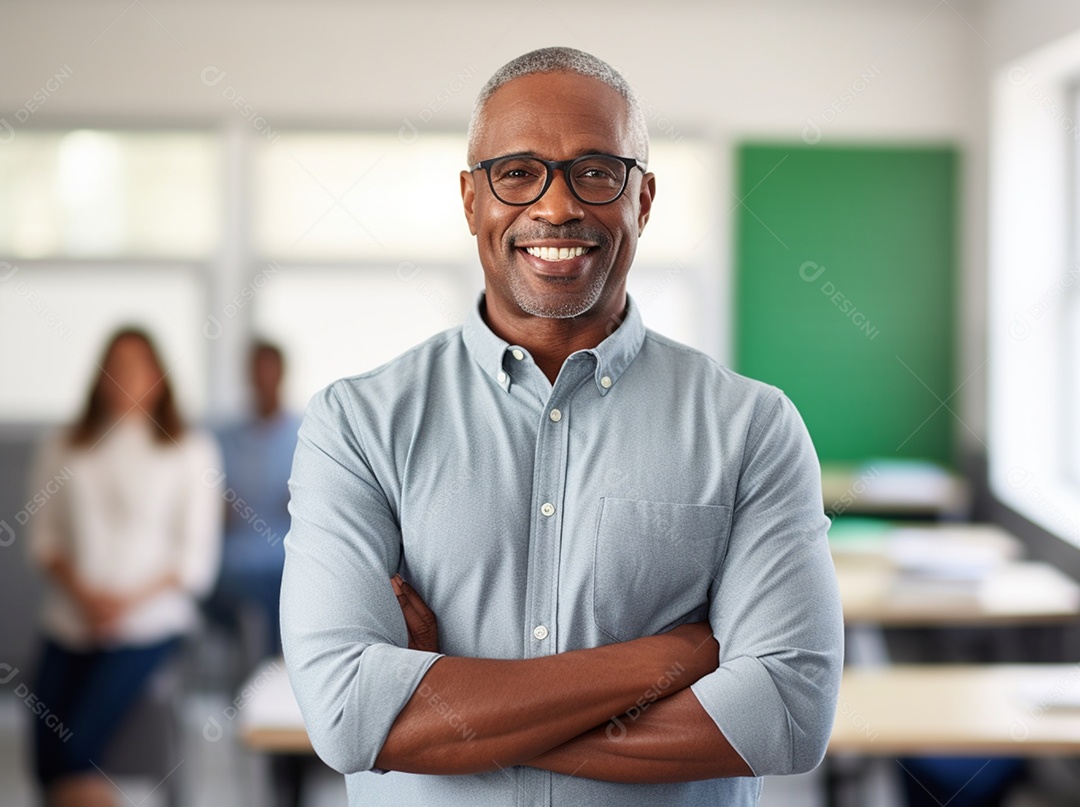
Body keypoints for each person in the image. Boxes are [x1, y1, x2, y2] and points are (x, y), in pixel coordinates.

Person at [281, 47, 844, 806]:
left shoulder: (752, 427)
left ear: (642, 199)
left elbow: (783, 715)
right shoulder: (357, 424)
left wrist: (449, 711)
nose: (555, 208)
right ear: (471, 199)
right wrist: (670, 659)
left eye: (596, 172)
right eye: (517, 172)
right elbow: (349, 714)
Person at [26, 327, 222, 807]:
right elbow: (43, 538)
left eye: (137, 366)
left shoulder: (190, 450)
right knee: (44, 758)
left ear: (159, 377)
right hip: (71, 617)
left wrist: (122, 603)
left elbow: (195, 561)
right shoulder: (64, 444)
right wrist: (86, 597)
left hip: (150, 622)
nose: (124, 377)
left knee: (77, 750)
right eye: (114, 365)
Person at [207, 340, 300, 659]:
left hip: (289, 561)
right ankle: (266, 670)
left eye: (270, 370)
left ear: (282, 374)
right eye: (256, 371)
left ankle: (276, 669)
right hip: (237, 563)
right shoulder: (222, 440)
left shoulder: (305, 435)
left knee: (290, 594)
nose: (263, 379)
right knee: (256, 603)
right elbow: (211, 509)